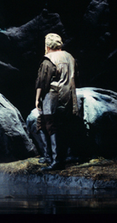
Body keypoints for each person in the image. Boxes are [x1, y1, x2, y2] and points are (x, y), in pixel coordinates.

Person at [35, 33, 78, 171]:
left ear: (47, 45)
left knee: (52, 126)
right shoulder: (70, 57)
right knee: (61, 125)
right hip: (68, 96)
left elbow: (42, 82)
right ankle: (52, 156)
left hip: (53, 97)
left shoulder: (49, 60)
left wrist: (37, 98)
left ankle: (57, 161)